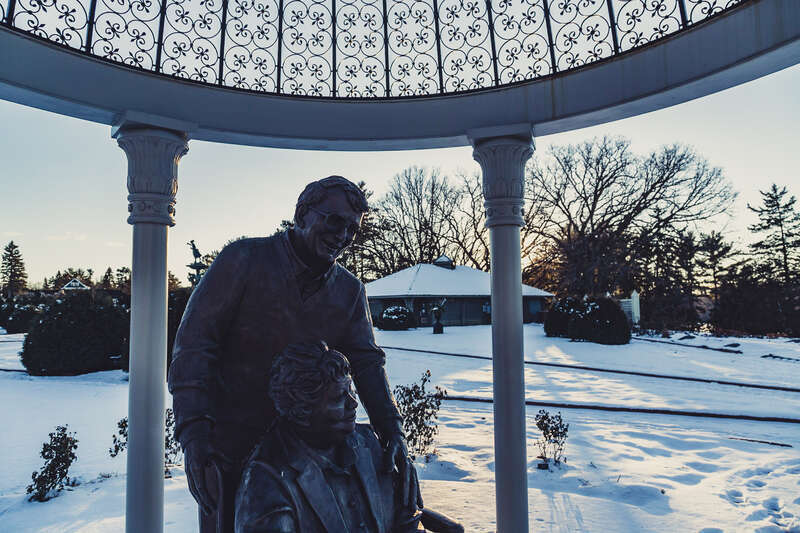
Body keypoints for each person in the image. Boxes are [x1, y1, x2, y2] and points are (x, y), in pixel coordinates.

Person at [169, 176, 411, 532]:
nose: (343, 236)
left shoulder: (348, 291)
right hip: (231, 449)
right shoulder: (243, 260)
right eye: (334, 221)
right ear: (302, 213)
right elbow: (193, 348)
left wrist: (393, 432)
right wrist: (194, 434)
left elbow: (367, 364)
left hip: (308, 460)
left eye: (352, 230)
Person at [235, 341, 425, 533]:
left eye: (351, 391)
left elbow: (406, 521)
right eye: (338, 398)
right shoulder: (267, 480)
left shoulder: (367, 442)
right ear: (302, 411)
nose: (353, 403)